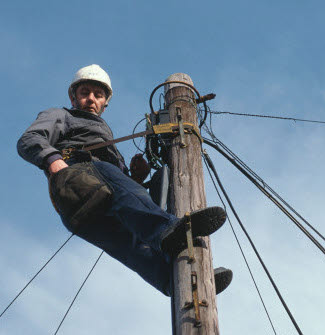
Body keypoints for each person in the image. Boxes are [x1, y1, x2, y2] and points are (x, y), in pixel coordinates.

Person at [17, 64, 232, 296]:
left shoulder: (104, 138)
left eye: (97, 95)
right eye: (84, 93)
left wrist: (137, 177)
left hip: (81, 212)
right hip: (77, 181)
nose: (91, 99)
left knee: (134, 245)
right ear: (73, 96)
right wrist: (54, 161)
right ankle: (167, 229)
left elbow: (126, 196)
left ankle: (182, 282)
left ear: (105, 102)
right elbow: (29, 139)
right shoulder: (61, 115)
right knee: (120, 188)